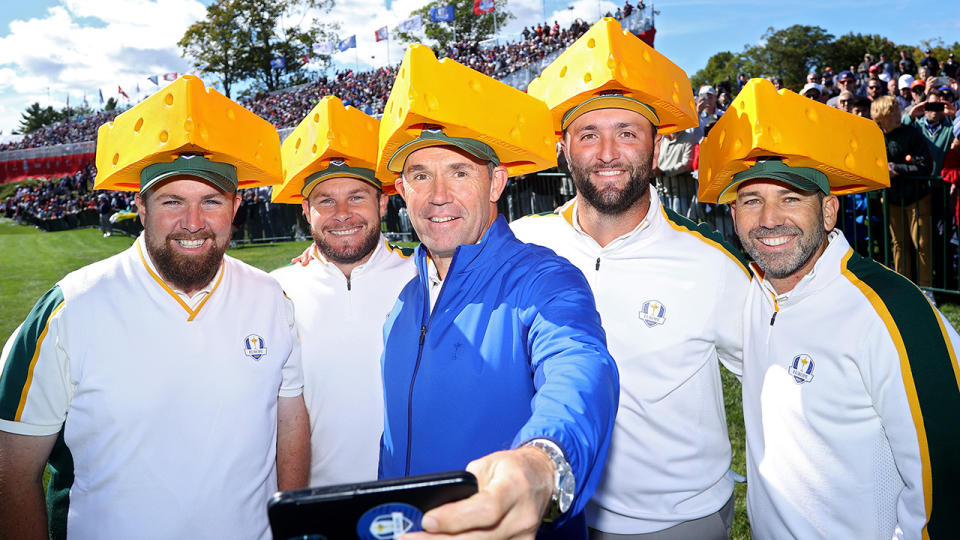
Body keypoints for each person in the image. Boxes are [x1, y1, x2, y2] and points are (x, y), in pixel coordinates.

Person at [0, 75, 309, 539]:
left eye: (211, 201)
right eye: (172, 201)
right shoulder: (69, 309)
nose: (193, 222)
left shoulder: (271, 298)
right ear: (141, 208)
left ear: (236, 205)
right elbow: (12, 471)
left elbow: (291, 423)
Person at [377, 44, 619, 540]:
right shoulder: (403, 302)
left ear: (495, 182)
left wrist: (542, 461)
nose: (437, 194)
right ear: (402, 191)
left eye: (459, 172)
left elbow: (580, 368)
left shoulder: (545, 280)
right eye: (421, 175)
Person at [698, 80, 960, 538]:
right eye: (751, 200)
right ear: (734, 214)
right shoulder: (750, 296)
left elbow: (949, 484)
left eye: (791, 199)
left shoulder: (895, 314)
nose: (769, 219)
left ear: (830, 211)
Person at [521, 20, 750, 539]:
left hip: (678, 521)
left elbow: (778, 372)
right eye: (588, 135)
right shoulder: (524, 243)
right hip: (556, 516)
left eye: (626, 133)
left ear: (654, 145)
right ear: (564, 148)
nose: (607, 154)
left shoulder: (711, 262)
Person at [269, 97, 416, 487]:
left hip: (412, 497)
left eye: (356, 197)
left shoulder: (423, 279)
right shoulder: (277, 290)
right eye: (326, 201)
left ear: (382, 202)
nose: (342, 214)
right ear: (306, 210)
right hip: (314, 502)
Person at [873, 95, 935, 289]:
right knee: (898, 244)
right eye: (892, 113)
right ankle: (904, 287)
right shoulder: (874, 137)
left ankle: (927, 289)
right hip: (892, 199)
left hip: (917, 197)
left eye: (898, 111)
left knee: (922, 244)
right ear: (881, 118)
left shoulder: (913, 134)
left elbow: (926, 166)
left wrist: (897, 169)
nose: (898, 115)